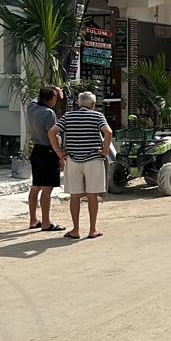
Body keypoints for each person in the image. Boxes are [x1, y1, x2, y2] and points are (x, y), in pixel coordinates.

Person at [49, 91, 113, 240]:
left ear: (78, 103)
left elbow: (52, 132)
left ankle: (76, 230)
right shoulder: (97, 116)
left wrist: (59, 152)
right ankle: (92, 229)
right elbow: (108, 132)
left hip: (73, 160)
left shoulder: (68, 116)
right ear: (93, 105)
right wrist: (104, 150)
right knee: (92, 195)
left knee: (75, 196)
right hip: (94, 160)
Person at [26, 85, 63, 232]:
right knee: (47, 189)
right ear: (52, 98)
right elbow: (52, 136)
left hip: (36, 151)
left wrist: (53, 89)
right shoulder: (49, 113)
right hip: (48, 151)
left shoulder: (31, 108)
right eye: (55, 97)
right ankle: (46, 222)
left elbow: (35, 99)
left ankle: (33, 219)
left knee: (36, 187)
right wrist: (59, 154)